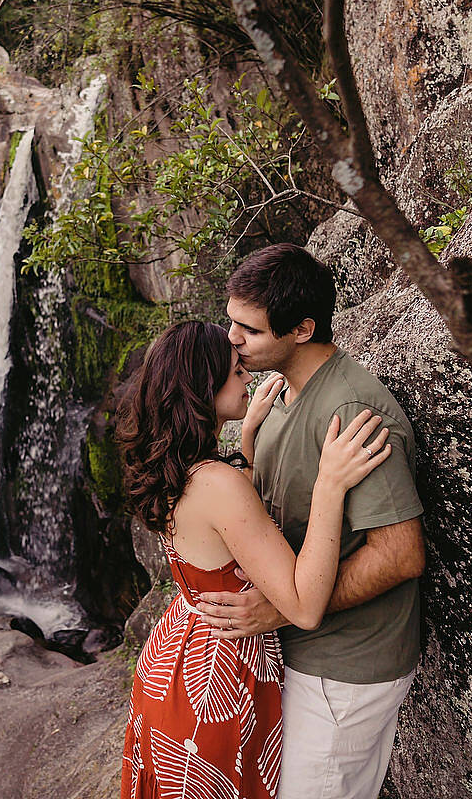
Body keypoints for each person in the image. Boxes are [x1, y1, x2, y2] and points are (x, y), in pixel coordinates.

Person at [119, 319, 393, 799]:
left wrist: (245, 441)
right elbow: (304, 607)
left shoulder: (180, 467)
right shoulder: (215, 484)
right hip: (214, 682)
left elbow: (223, 530)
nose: (248, 379)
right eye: (234, 373)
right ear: (204, 388)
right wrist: (330, 486)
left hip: (176, 661)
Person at [198, 243, 426, 799]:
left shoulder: (350, 412)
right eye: (231, 322)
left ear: (301, 330)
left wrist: (282, 609)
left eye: (248, 331)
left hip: (345, 668)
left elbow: (400, 554)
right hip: (302, 653)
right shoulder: (279, 392)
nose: (232, 340)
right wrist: (249, 442)